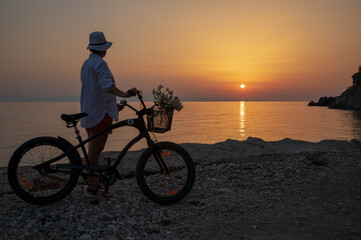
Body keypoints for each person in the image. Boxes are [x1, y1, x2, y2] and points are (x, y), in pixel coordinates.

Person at [80, 31, 137, 198]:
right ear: (103, 49)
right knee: (94, 153)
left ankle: (95, 185)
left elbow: (95, 89)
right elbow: (107, 86)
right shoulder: (100, 64)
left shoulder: (86, 63)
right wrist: (125, 95)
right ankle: (91, 189)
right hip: (99, 114)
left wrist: (113, 106)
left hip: (89, 110)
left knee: (93, 152)